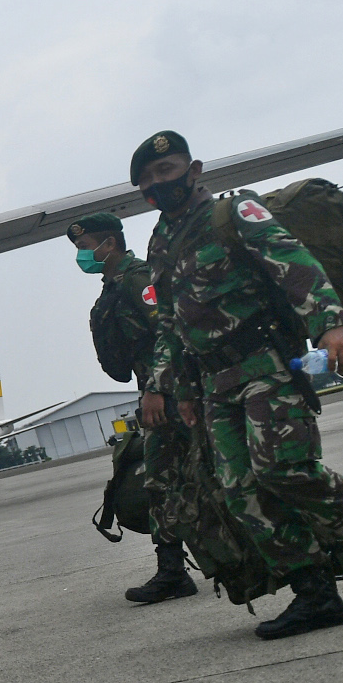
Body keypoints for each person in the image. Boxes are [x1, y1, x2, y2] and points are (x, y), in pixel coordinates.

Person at [133, 131, 343, 637]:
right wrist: (178, 388)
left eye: (168, 170)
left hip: (263, 364)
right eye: (149, 180)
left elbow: (293, 262)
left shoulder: (232, 214)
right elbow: (172, 321)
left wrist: (332, 324)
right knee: (239, 491)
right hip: (212, 383)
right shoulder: (161, 243)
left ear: (194, 169)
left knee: (284, 469)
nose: (161, 183)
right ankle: (314, 594)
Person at [69, 211, 198, 604]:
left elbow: (170, 331)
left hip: (178, 394)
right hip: (157, 398)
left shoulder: (139, 279)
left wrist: (158, 389)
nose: (81, 256)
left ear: (109, 244)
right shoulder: (114, 287)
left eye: (84, 247)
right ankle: (173, 572)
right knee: (159, 479)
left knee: (217, 474)